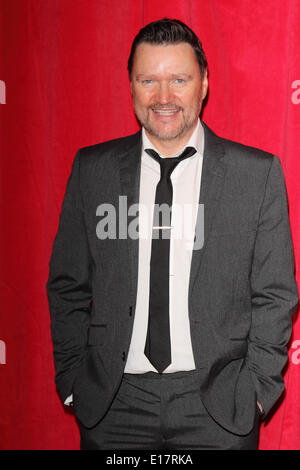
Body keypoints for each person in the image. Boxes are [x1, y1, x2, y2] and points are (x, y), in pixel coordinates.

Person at [46, 18, 298, 450]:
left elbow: (276, 294)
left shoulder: (255, 175)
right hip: (113, 407)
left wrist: (256, 390)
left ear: (203, 84)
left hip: (220, 407)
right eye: (149, 80)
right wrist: (73, 379)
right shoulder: (93, 171)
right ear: (131, 86)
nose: (164, 97)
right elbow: (67, 284)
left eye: (179, 79)